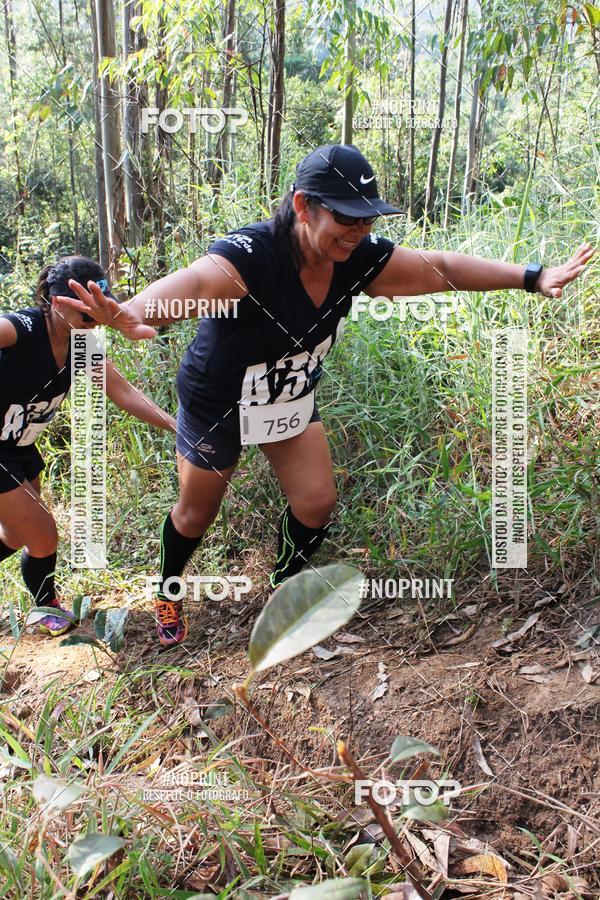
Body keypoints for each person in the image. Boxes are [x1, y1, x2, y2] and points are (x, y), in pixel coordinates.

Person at [55, 145, 594, 648]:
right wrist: (134, 313)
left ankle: (285, 594)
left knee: (316, 504)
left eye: (366, 218)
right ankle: (169, 589)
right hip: (218, 399)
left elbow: (442, 269)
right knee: (196, 515)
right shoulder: (254, 255)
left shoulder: (358, 257)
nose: (357, 230)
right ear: (303, 207)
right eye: (343, 216)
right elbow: (196, 286)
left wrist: (533, 276)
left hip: (286, 394)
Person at [0, 256, 177, 636]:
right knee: (43, 535)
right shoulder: (22, 328)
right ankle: (47, 605)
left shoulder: (83, 343)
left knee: (14, 536)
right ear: (57, 302)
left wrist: (176, 426)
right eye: (85, 306)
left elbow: (123, 392)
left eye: (100, 303)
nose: (94, 314)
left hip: (19, 446)